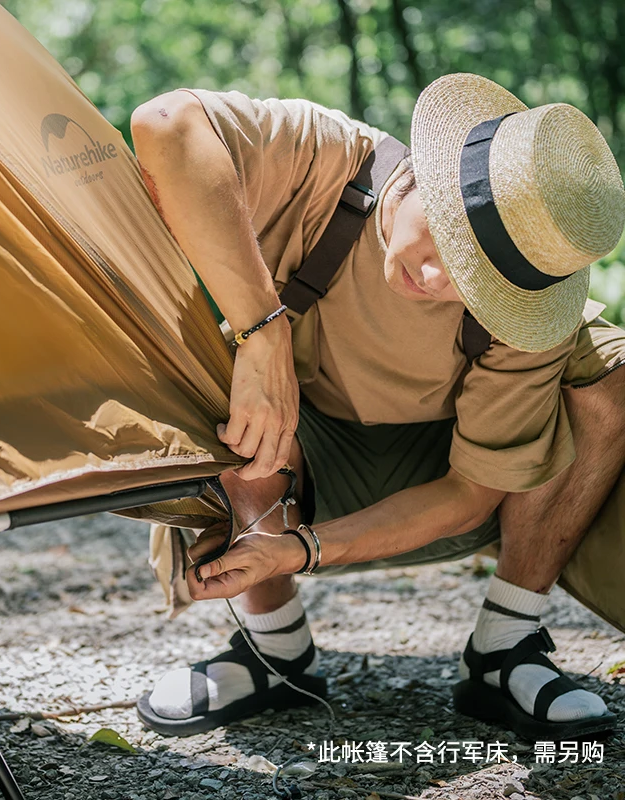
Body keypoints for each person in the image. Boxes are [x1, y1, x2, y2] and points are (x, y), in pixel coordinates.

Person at [129, 73, 625, 742]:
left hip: (449, 491)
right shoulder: (325, 158)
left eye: (477, 285)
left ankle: (505, 646)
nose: (433, 282)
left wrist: (299, 551)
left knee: (609, 366)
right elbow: (164, 122)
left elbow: (470, 491)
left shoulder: (529, 310)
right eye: (450, 243)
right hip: (292, 461)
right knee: (211, 363)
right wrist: (262, 330)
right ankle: (274, 651)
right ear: (428, 172)